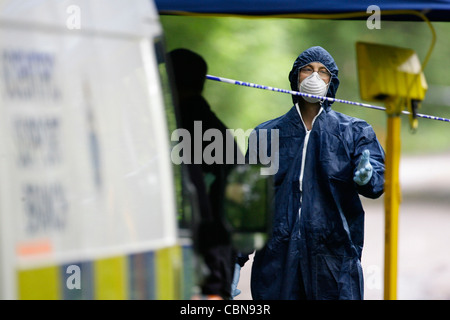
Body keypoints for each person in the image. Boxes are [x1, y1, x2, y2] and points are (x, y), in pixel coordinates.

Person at [233, 46, 385, 300]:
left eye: (323, 72)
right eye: (307, 69)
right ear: (295, 77)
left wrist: (367, 177)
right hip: (277, 259)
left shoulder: (355, 131)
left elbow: (376, 183)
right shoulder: (266, 135)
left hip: (333, 261)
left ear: (331, 82)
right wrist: (234, 260)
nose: (314, 77)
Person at [167, 48, 242, 300]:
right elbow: (242, 203)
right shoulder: (221, 136)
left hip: (177, 261)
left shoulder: (160, 131)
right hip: (214, 267)